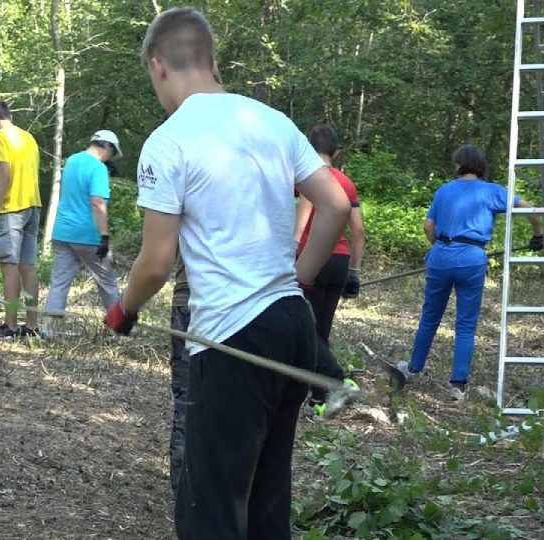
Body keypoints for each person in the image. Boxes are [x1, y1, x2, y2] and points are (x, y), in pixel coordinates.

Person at [102, 8, 351, 539]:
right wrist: (297, 283)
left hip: (233, 339)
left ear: (158, 66)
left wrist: (124, 309)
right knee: (266, 503)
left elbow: (156, 262)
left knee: (210, 511)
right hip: (292, 327)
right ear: (212, 61)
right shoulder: (271, 121)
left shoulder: (169, 141)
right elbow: (332, 203)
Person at [398, 144, 543, 401]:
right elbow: (531, 208)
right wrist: (538, 234)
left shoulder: (444, 190)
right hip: (472, 258)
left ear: (459, 165)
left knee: (430, 318)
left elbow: (427, 226)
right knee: (465, 324)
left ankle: (412, 369)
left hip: (442, 255)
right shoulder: (491, 191)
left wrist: (440, 247)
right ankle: (458, 386)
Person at [294, 123, 366, 416]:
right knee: (320, 329)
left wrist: (294, 256)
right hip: (339, 261)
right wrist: (354, 272)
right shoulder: (346, 183)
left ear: (309, 150)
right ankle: (318, 399)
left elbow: (301, 226)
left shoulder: (310, 178)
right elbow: (358, 231)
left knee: (305, 330)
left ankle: (336, 382)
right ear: (335, 152)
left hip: (314, 259)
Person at [43, 130, 122, 325]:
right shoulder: (98, 168)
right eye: (112, 153)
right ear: (107, 147)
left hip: (62, 231)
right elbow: (97, 203)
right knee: (107, 282)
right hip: (87, 234)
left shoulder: (71, 160)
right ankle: (119, 325)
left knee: (60, 281)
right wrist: (104, 237)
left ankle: (48, 327)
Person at [0, 99, 43, 338]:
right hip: (33, 206)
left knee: (9, 266)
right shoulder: (28, 137)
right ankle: (32, 325)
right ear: (9, 115)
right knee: (28, 266)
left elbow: (4, 174)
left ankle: (11, 325)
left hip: (11, 208)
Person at [168, 256, 190, 495]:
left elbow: (156, 266)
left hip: (189, 306)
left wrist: (126, 307)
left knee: (187, 399)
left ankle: (184, 491)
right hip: (250, 307)